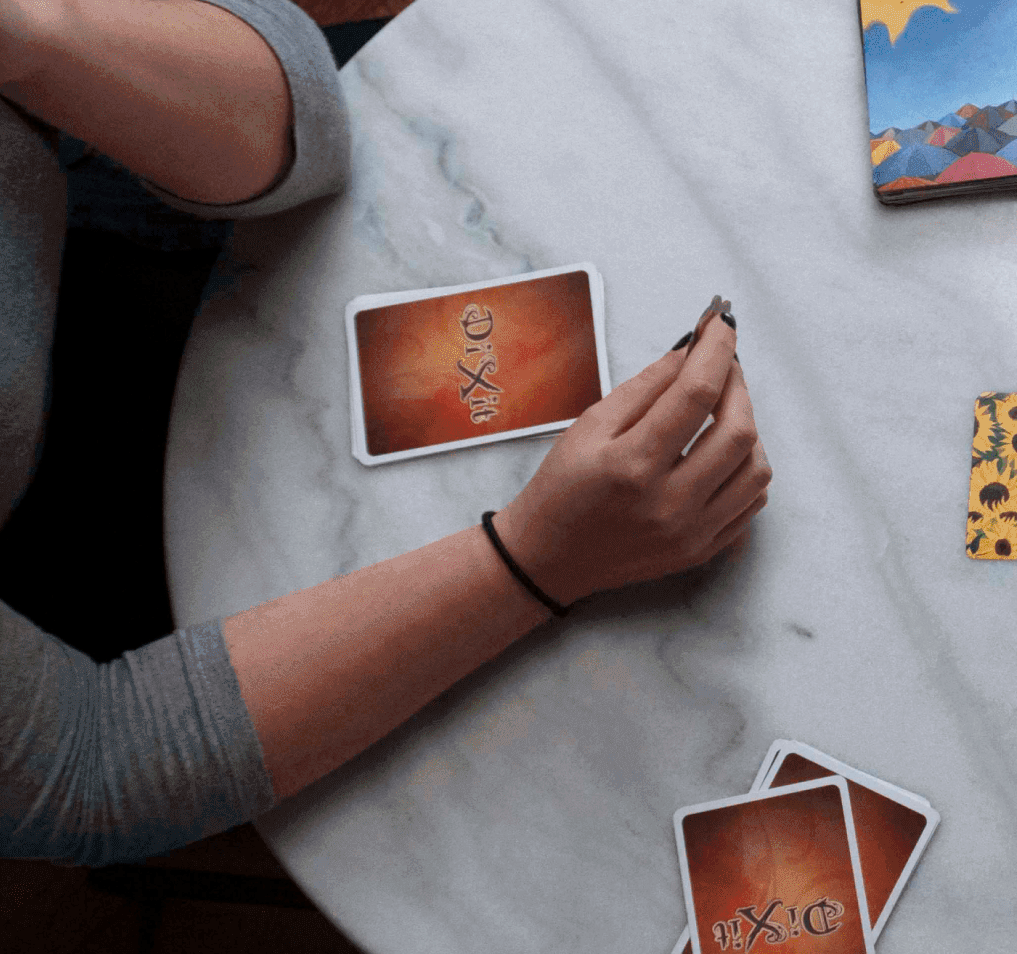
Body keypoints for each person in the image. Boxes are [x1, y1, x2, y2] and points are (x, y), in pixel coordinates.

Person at [0, 0, 770, 864]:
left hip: (126, 197)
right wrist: (534, 559)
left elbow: (308, 120)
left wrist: (38, 32)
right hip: (93, 572)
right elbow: (86, 767)